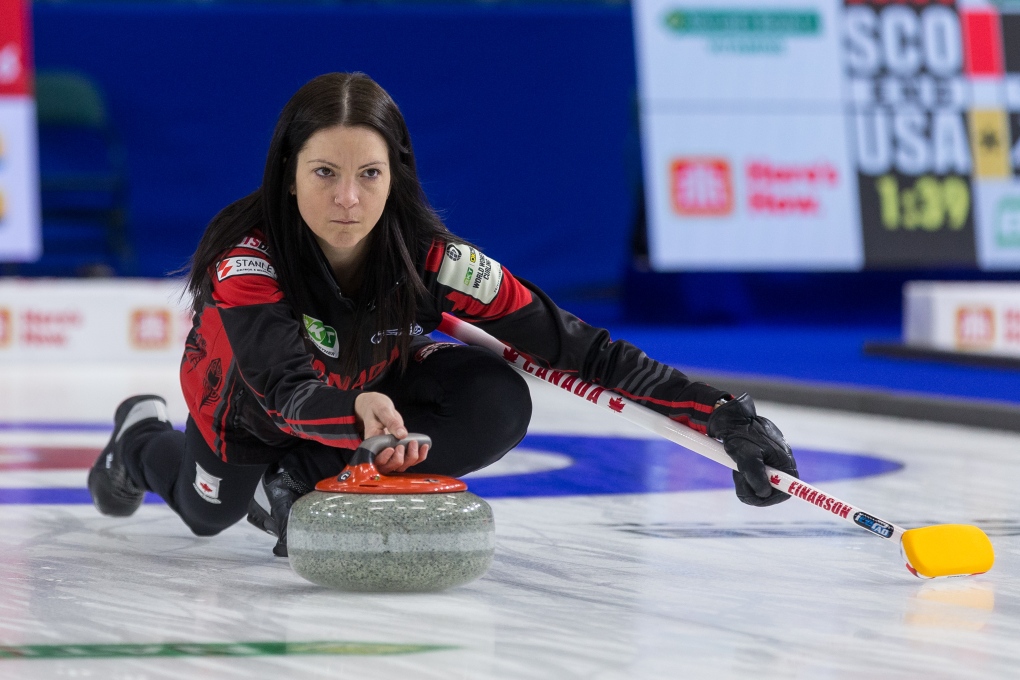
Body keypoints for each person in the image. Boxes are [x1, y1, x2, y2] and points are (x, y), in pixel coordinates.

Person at [88, 73, 799, 557]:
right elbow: (283, 389)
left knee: (495, 398)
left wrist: (721, 416)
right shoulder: (247, 264)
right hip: (244, 411)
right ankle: (138, 441)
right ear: (288, 172)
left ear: (395, 174)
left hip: (364, 400)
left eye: (368, 174)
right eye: (324, 174)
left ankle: (303, 482)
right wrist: (355, 414)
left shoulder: (437, 259)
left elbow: (578, 349)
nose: (347, 200)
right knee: (207, 513)